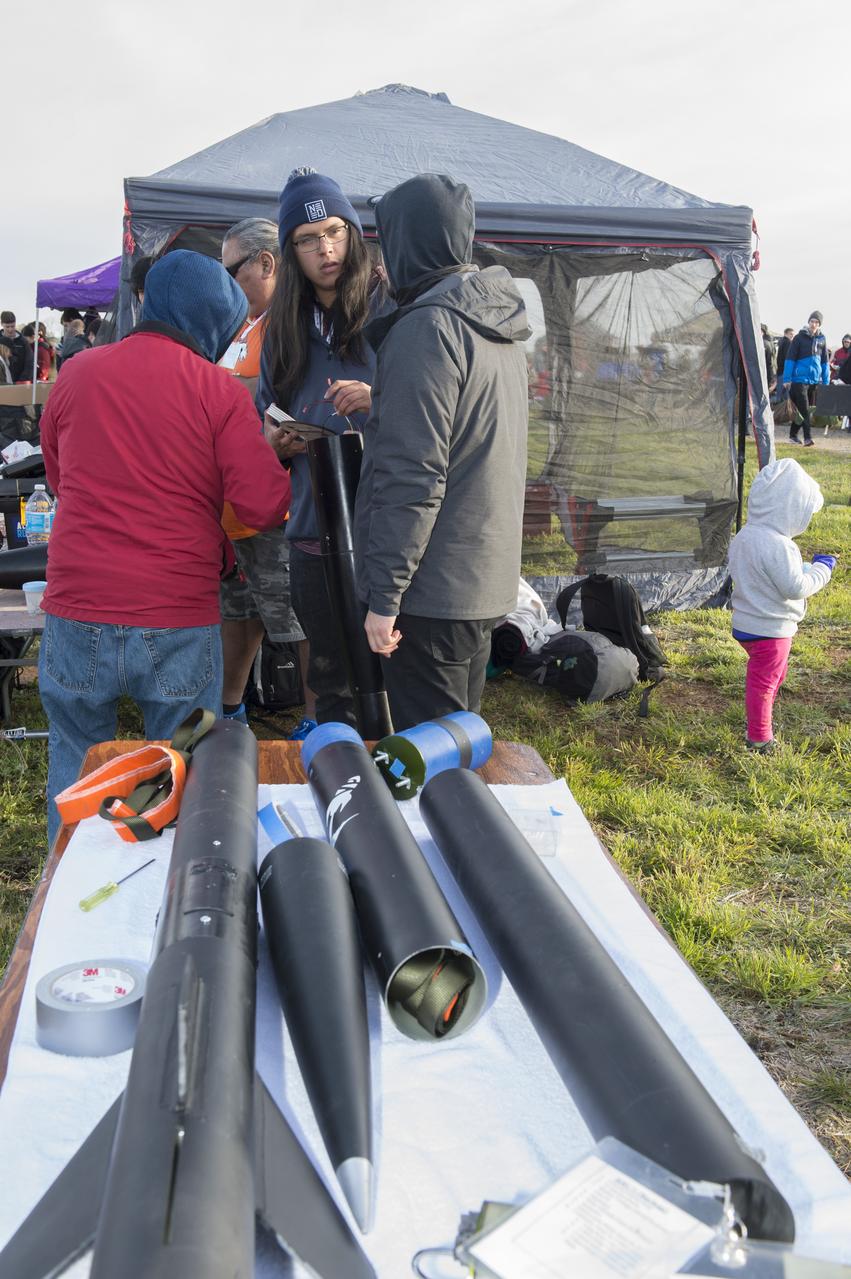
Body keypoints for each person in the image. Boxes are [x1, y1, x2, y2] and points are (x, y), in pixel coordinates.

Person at [38, 249, 291, 845]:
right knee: (178, 766)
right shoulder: (219, 392)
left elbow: (57, 478)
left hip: (77, 604)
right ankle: (174, 896)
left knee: (75, 759)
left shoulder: (77, 372)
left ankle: (59, 910)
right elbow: (260, 505)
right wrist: (276, 453)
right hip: (177, 612)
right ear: (211, 324)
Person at [353, 172, 530, 729]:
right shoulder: (493, 323)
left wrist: (384, 598)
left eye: (385, 243)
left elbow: (414, 477)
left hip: (429, 596)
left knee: (431, 766)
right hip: (478, 583)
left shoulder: (428, 328)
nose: (380, 262)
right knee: (455, 748)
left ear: (409, 242)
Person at [259, 168, 387, 727]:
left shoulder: (390, 306)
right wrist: (277, 441)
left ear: (353, 234)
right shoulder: (281, 327)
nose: (325, 248)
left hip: (388, 527)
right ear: (290, 251)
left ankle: (400, 786)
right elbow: (268, 410)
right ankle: (345, 788)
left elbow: (432, 407)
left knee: (391, 671)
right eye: (308, 240)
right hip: (315, 528)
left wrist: (377, 400)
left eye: (335, 231)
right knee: (330, 676)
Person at [218, 217, 313, 732]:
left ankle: (319, 722)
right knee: (241, 610)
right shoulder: (244, 325)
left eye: (231, 270)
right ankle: (231, 709)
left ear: (267, 262)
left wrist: (266, 447)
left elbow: (301, 419)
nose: (224, 283)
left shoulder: (294, 324)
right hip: (235, 511)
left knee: (296, 618)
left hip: (279, 509)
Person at [727, 458, 836, 753]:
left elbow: (761, 572)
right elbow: (795, 587)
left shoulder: (744, 536)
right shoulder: (780, 545)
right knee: (762, 683)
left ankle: (764, 707)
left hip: (745, 623)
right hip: (771, 630)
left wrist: (799, 566)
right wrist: (821, 570)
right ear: (791, 508)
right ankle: (759, 737)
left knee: (771, 675)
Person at [781, 311, 830, 446]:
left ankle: (792, 435)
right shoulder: (798, 338)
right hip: (798, 380)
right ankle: (808, 438)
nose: (814, 324)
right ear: (808, 322)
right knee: (805, 410)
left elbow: (825, 362)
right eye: (812, 321)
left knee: (801, 412)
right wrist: (786, 379)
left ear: (819, 324)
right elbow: (790, 359)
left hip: (814, 380)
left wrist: (825, 381)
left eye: (816, 322)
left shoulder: (822, 339)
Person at [0, 311, 30, 382]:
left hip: (19, 382)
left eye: (12, 326)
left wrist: (22, 380)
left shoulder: (23, 341)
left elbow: (29, 362)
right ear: (1, 324)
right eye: (7, 327)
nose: (10, 330)